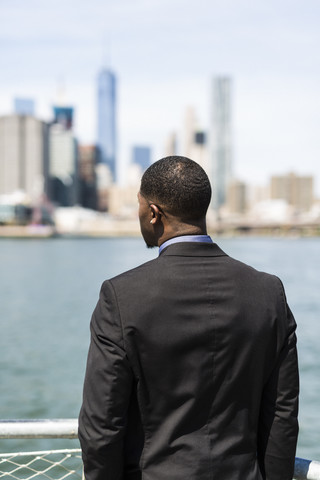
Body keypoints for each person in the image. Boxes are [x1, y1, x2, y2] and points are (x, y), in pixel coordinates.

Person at [78, 156, 299, 480]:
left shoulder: (121, 296)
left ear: (154, 213)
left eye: (139, 206)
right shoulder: (268, 293)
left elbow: (101, 426)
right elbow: (281, 415)